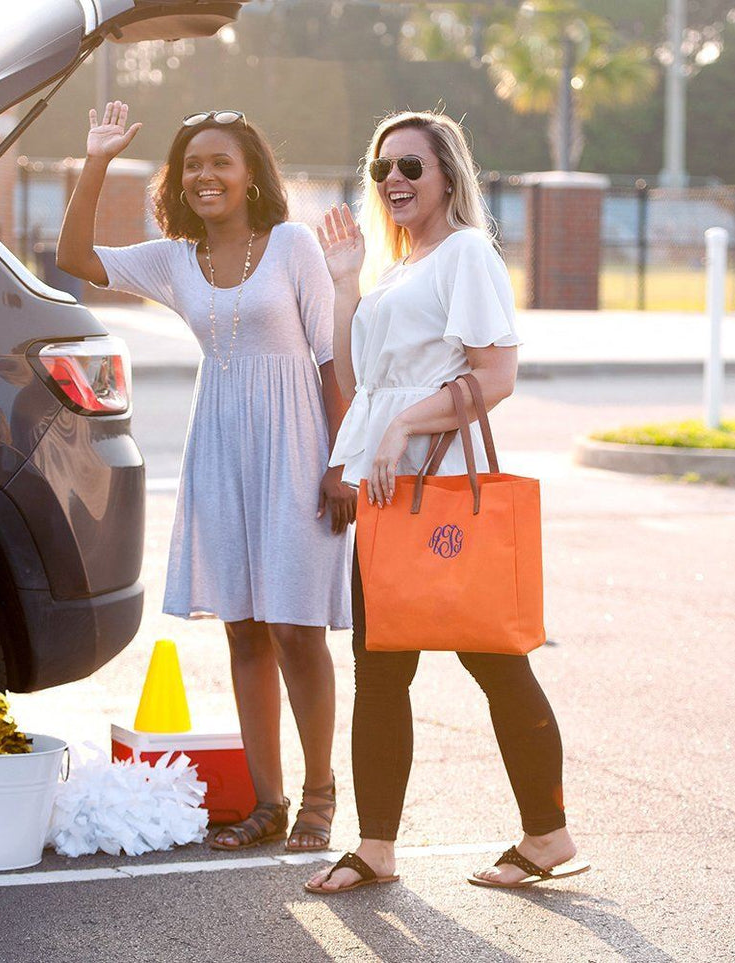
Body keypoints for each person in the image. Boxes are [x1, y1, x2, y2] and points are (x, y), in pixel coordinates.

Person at [57, 102, 355, 852]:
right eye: (191, 164)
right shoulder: (174, 257)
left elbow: (329, 359)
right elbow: (76, 259)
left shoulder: (291, 246)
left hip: (296, 446)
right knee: (245, 628)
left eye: (220, 161)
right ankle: (269, 802)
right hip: (220, 444)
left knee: (295, 626)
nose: (204, 175)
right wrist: (95, 158)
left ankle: (319, 795)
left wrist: (342, 461)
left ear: (251, 173)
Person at [304, 110, 588, 893]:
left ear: (447, 177)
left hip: (443, 486)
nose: (392, 180)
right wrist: (343, 283)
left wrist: (404, 425)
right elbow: (356, 386)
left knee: (493, 657)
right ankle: (377, 848)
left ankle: (547, 833)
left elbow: (495, 375)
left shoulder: (464, 252)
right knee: (379, 668)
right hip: (390, 490)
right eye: (380, 169)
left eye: (410, 167)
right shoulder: (400, 266)